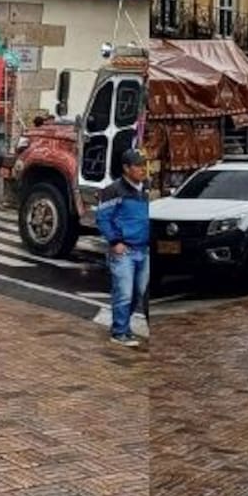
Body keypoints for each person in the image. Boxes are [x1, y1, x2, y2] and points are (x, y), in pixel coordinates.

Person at [96, 149, 149, 348]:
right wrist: (115, 241)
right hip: (124, 250)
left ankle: (124, 327)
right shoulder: (114, 190)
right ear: (126, 168)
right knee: (124, 292)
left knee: (138, 292)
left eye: (143, 165)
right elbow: (102, 218)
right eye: (138, 166)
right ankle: (119, 331)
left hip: (143, 249)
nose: (142, 169)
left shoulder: (146, 189)